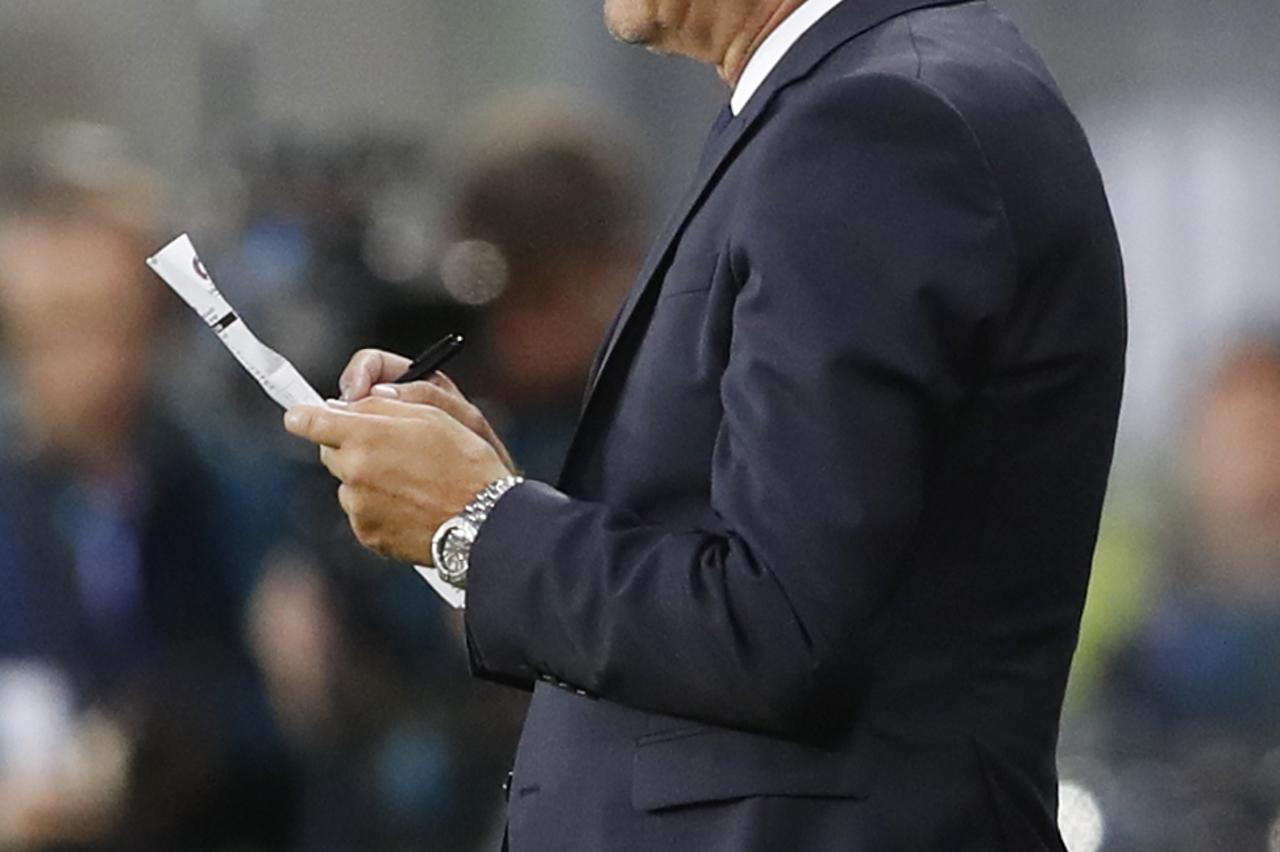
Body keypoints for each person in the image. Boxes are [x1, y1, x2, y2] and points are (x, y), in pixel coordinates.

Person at [284, 0, 1127, 849]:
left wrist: (482, 525)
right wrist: (488, 492)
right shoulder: (856, 97)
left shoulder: (876, 121)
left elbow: (783, 624)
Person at [0, 126, 295, 851]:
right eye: (57, 328)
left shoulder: (234, 491)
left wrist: (156, 755)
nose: (95, 366)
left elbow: (286, 728)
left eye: (114, 324)